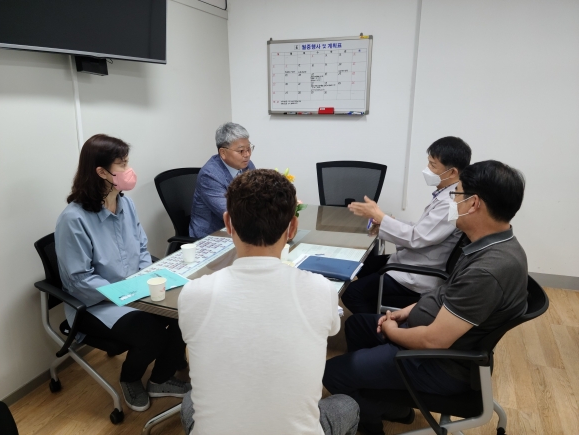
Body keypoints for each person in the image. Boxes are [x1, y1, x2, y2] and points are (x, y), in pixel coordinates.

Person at [323, 160, 528, 434]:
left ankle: (372, 422)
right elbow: (447, 291)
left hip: (437, 362)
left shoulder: (488, 271)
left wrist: (393, 331)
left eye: (457, 194)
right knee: (356, 325)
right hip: (430, 333)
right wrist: (408, 310)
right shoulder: (489, 244)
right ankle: (392, 406)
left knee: (332, 373)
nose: (453, 201)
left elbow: (434, 341)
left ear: (474, 204)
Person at [178, 169, 359, 435]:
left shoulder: (193, 294)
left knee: (189, 402)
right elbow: (332, 329)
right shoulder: (321, 289)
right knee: (347, 405)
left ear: (228, 224)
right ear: (292, 227)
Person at [55, 134, 190, 412]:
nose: (129, 171)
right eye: (122, 164)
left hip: (135, 291)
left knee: (186, 310)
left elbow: (141, 248)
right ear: (101, 172)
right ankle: (129, 378)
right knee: (150, 332)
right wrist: (126, 292)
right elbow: (79, 280)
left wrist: (146, 279)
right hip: (96, 304)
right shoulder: (73, 219)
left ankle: (160, 379)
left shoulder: (126, 204)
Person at [342, 137, 472, 313]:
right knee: (363, 265)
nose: (427, 169)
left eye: (433, 165)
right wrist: (387, 221)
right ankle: (375, 310)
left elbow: (416, 238)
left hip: (419, 273)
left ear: (452, 172)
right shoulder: (447, 194)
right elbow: (422, 229)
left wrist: (382, 217)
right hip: (415, 260)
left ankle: (377, 323)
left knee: (351, 293)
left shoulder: (450, 203)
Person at [188, 122, 256, 239]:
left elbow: (257, 196)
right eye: (241, 151)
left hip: (241, 229)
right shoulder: (209, 175)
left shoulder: (247, 165)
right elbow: (232, 213)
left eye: (249, 149)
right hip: (210, 236)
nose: (247, 155)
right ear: (223, 153)